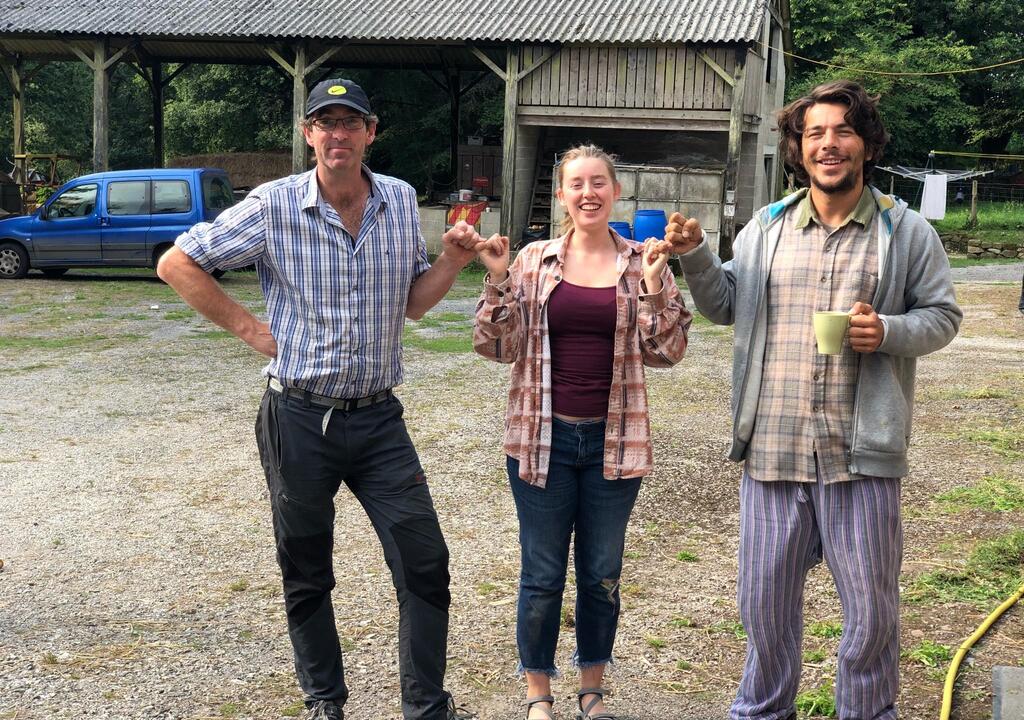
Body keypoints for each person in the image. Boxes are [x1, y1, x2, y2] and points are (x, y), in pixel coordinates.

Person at [157, 78, 480, 720]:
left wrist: (450, 261)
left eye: (350, 122)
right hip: (299, 417)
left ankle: (426, 706)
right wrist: (251, 330)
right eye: (325, 123)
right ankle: (324, 701)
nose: (338, 134)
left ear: (370, 132)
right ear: (308, 135)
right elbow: (177, 263)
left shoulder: (399, 199)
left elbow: (414, 304)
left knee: (425, 561)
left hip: (379, 419)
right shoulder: (272, 205)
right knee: (306, 567)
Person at [665, 80, 962, 720]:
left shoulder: (906, 232)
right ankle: (762, 711)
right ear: (799, 149)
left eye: (843, 131)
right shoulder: (767, 227)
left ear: (867, 145)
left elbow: (942, 317)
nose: (829, 144)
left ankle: (866, 712)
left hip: (861, 457)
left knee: (872, 614)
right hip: (772, 451)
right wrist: (695, 257)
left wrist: (888, 331)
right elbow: (725, 305)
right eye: (815, 133)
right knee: (764, 609)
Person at [473, 144, 691, 720]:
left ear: (615, 192)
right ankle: (538, 693)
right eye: (577, 183)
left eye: (599, 183)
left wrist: (654, 286)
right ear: (562, 194)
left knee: (600, 575)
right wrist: (496, 280)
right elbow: (496, 348)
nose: (588, 193)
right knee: (542, 574)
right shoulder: (531, 261)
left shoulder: (644, 260)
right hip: (539, 439)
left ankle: (591, 688)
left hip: (614, 443)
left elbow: (669, 352)